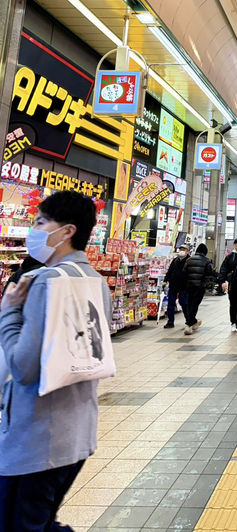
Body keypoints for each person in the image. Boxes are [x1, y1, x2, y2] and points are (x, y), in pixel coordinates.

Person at [0, 190, 112, 530]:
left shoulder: (46, 282)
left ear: (67, 231)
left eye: (41, 222)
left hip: (36, 440)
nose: (34, 231)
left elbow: (23, 368)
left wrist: (9, 312)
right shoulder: (96, 282)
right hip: (77, 433)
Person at [183, 244, 214, 335]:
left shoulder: (189, 260)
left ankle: (194, 322)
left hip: (189, 286)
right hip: (199, 287)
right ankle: (188, 324)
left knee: (190, 304)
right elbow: (209, 273)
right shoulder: (207, 261)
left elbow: (184, 272)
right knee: (195, 305)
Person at [163, 247, 189, 329]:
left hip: (184, 286)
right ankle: (170, 322)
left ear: (187, 251)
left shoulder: (189, 260)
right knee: (170, 303)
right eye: (180, 249)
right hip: (173, 285)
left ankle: (188, 320)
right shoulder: (175, 260)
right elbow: (169, 271)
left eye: (183, 250)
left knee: (184, 303)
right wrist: (165, 280)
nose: (181, 251)